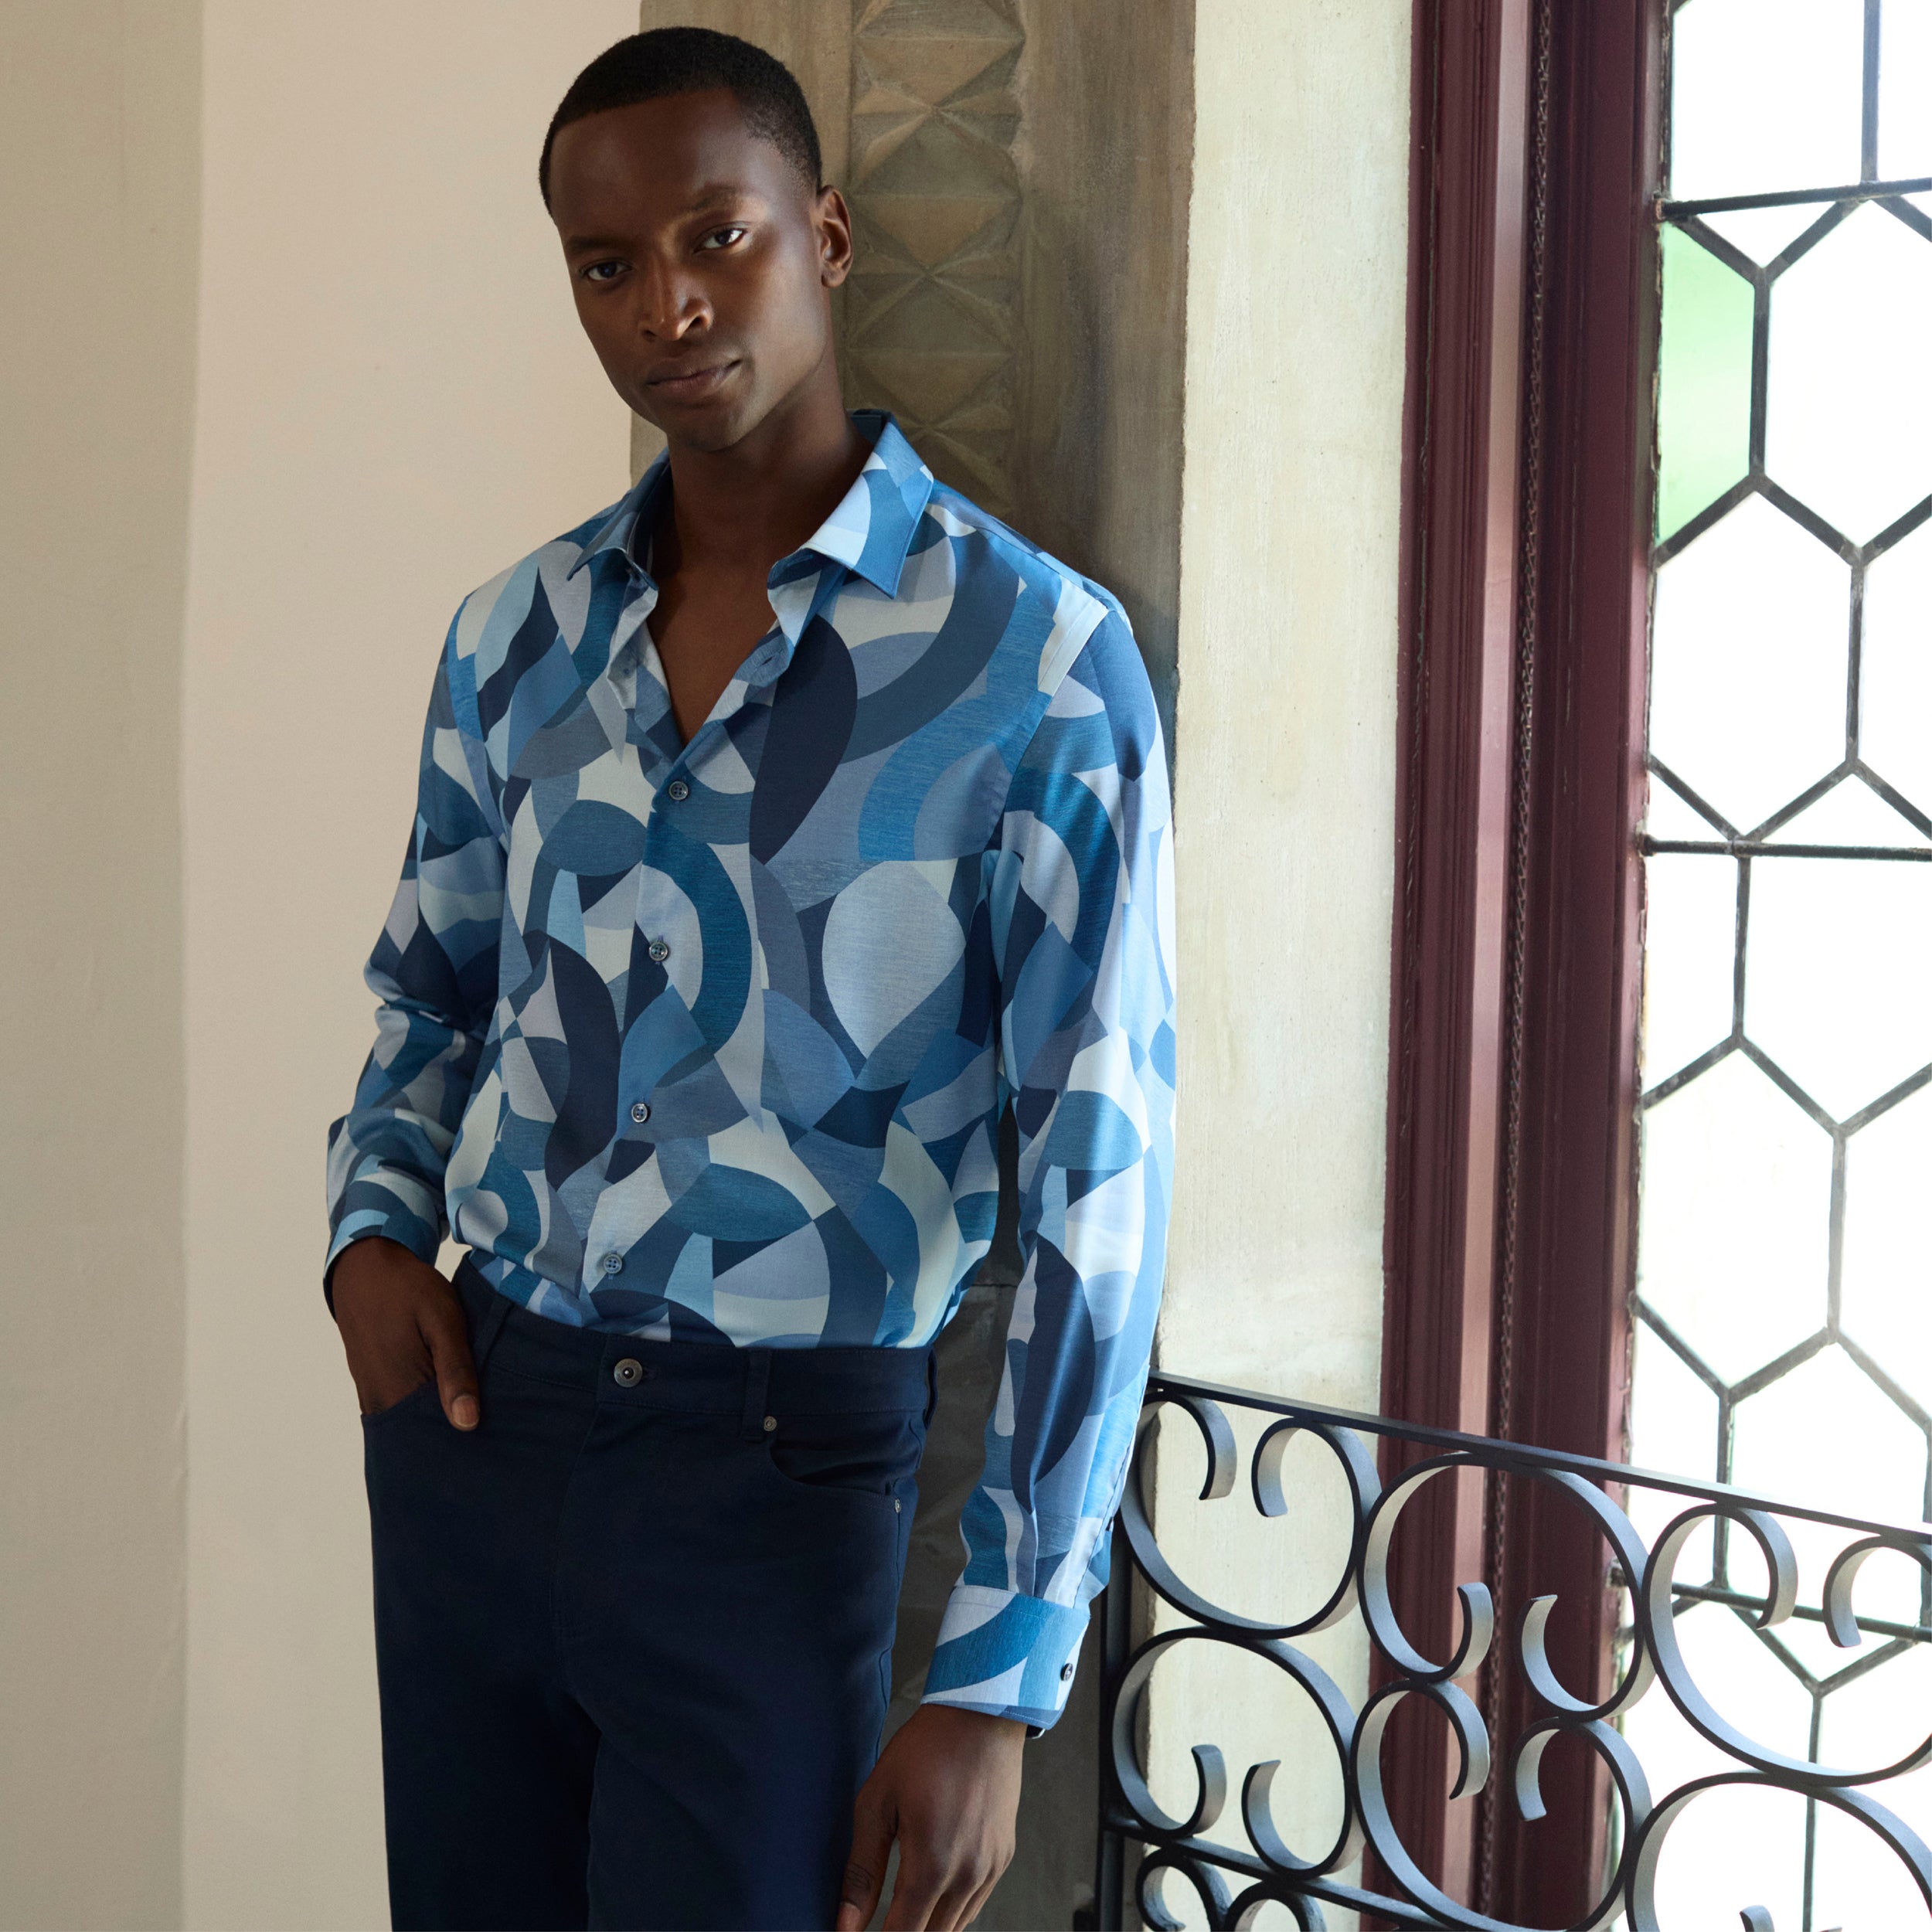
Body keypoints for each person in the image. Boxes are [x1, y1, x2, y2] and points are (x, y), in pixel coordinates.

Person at [325, 27, 1175, 1932]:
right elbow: (431, 987)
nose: (669, 305)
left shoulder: (1035, 663)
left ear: (828, 237)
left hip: (778, 1480)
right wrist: (371, 1236)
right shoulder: (515, 638)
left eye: (719, 235)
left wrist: (997, 1674)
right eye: (605, 264)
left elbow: (1097, 1182)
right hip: (478, 1432)